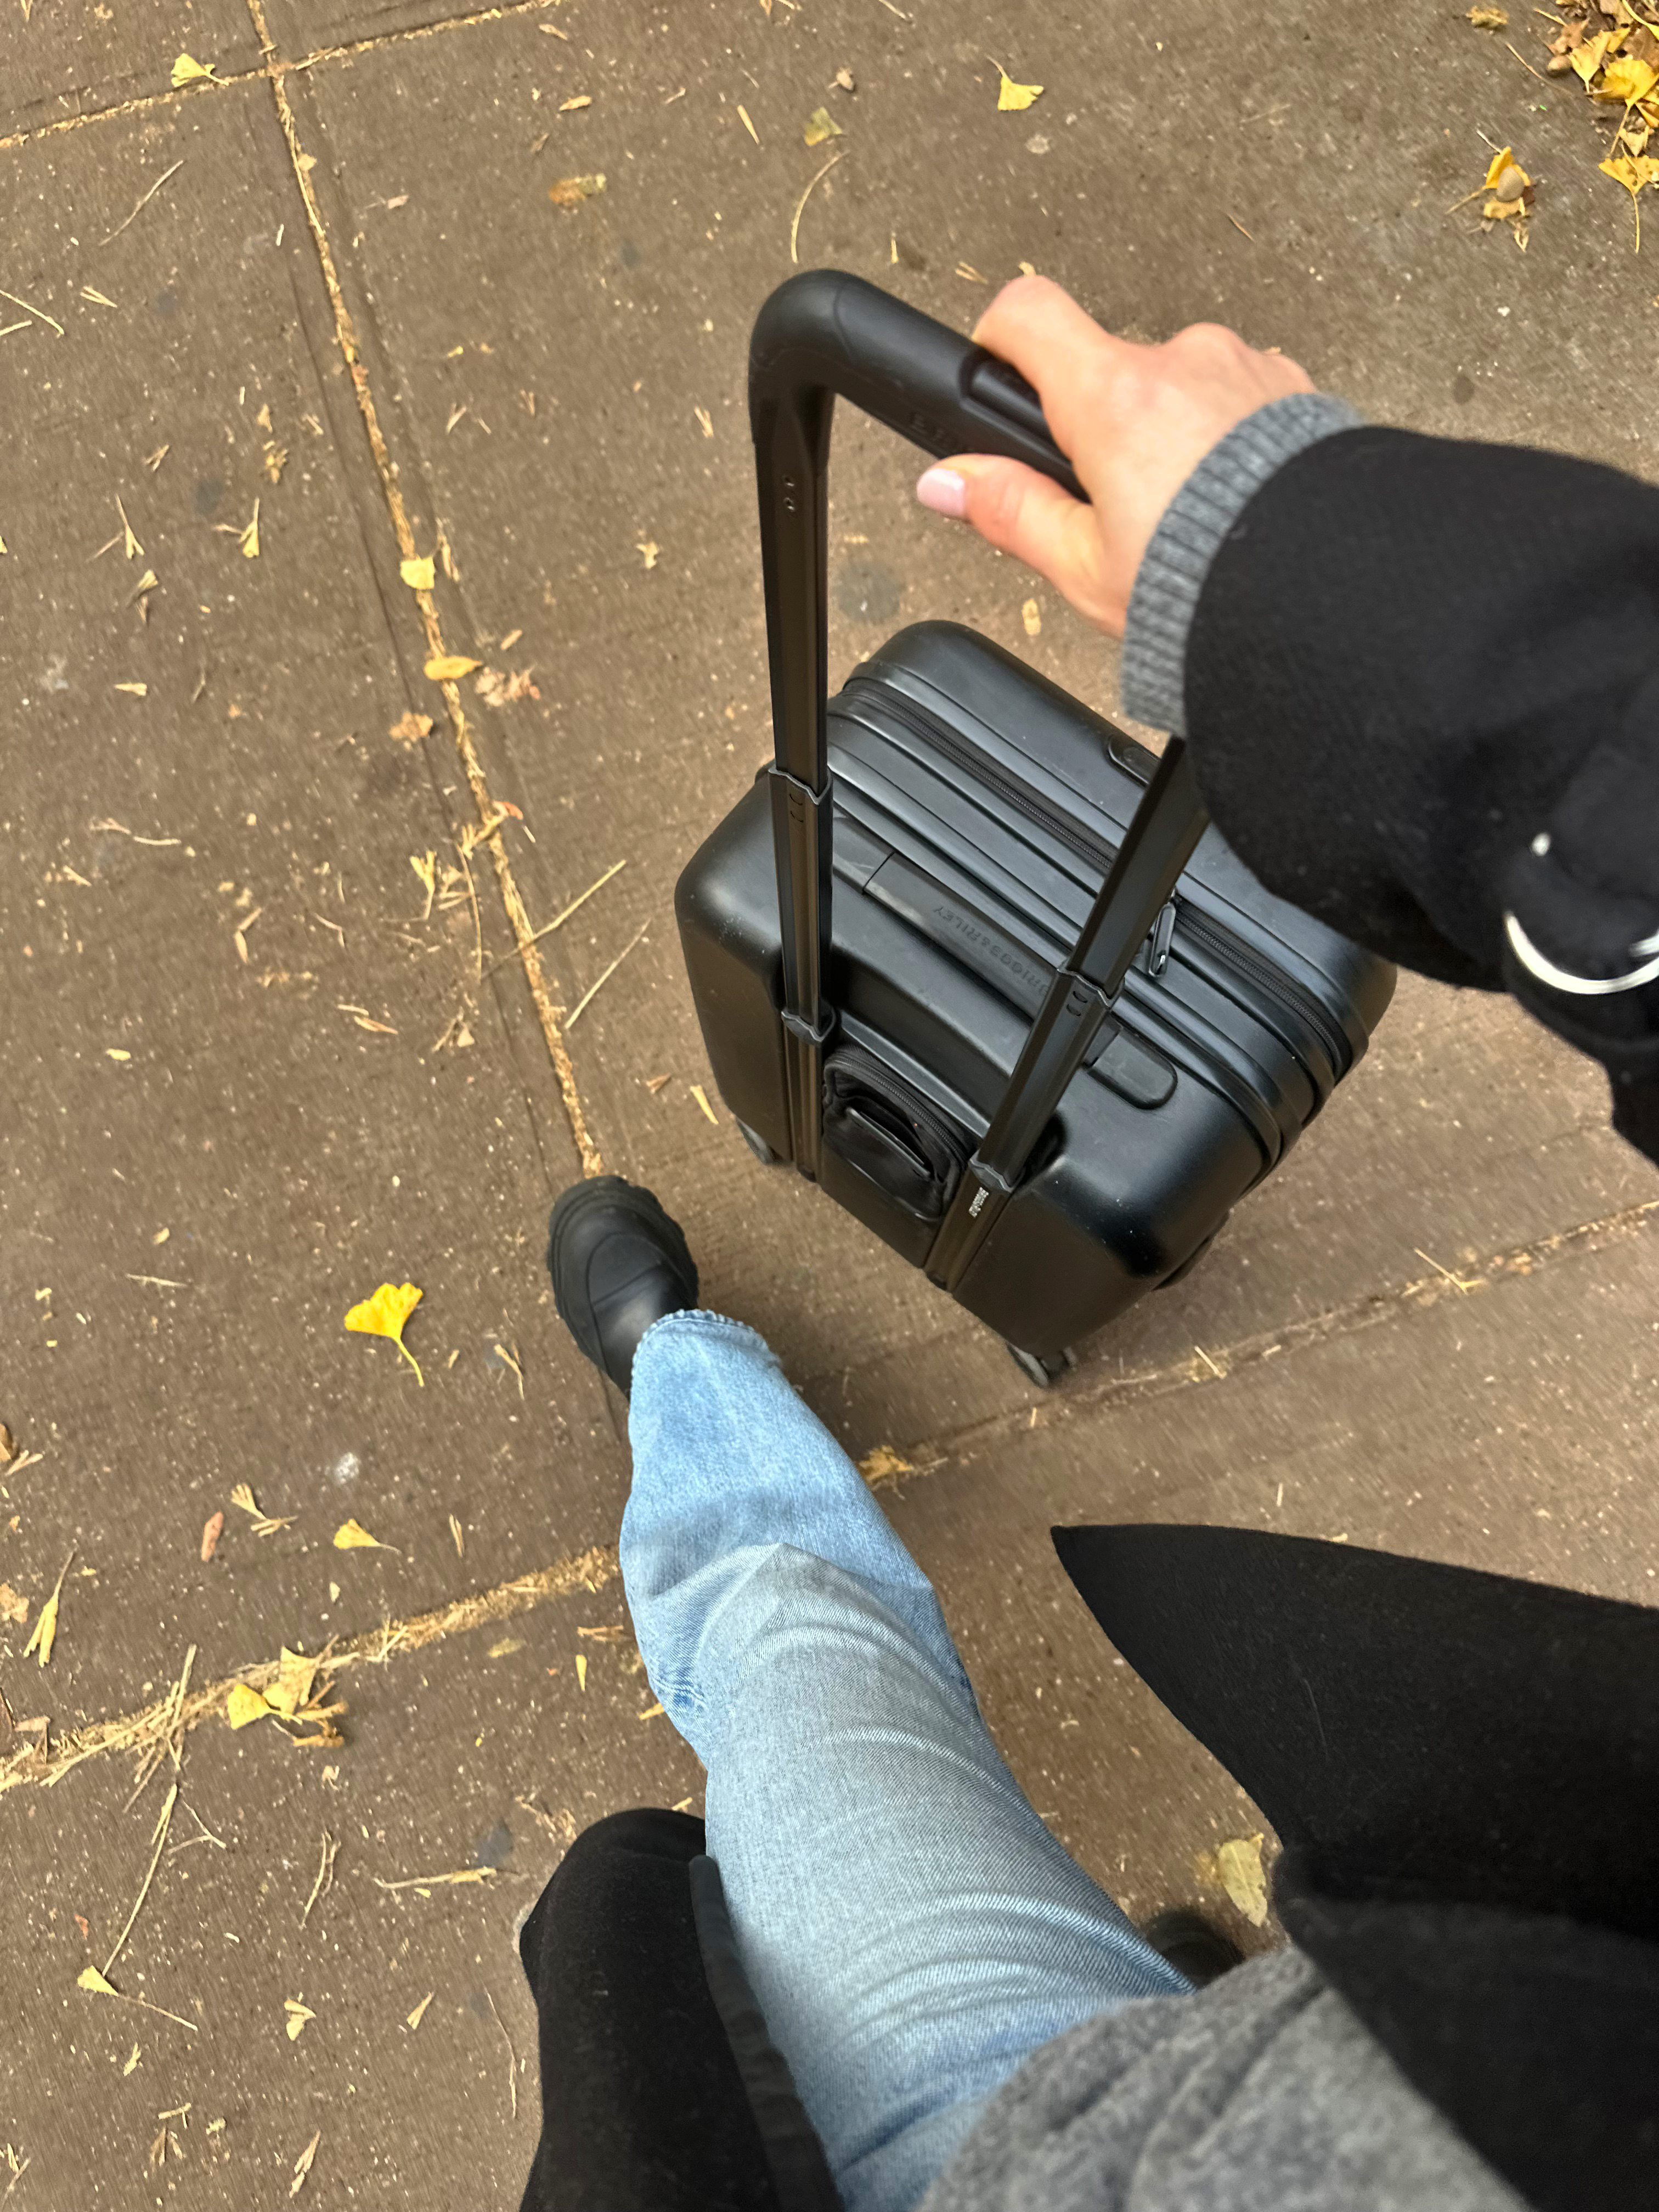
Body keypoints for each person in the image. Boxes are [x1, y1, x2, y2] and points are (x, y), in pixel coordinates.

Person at [516, 279, 1659, 2212]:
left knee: (787, 1645)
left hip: (1000, 2156)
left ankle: (692, 1382)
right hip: (1392, 2078)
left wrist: (1317, 576)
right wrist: (1310, 580)